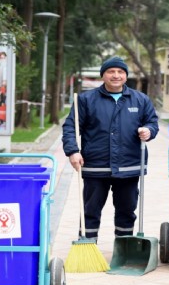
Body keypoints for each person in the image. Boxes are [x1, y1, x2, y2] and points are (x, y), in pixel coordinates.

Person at [62, 56, 159, 241]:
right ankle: (87, 248)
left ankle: (124, 249)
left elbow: (152, 122)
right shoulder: (86, 100)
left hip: (129, 166)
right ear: (103, 75)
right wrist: (73, 151)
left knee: (127, 210)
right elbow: (70, 128)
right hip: (95, 166)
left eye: (120, 72)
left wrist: (149, 130)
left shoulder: (140, 99)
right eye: (111, 71)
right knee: (89, 211)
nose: (116, 75)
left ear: (126, 76)